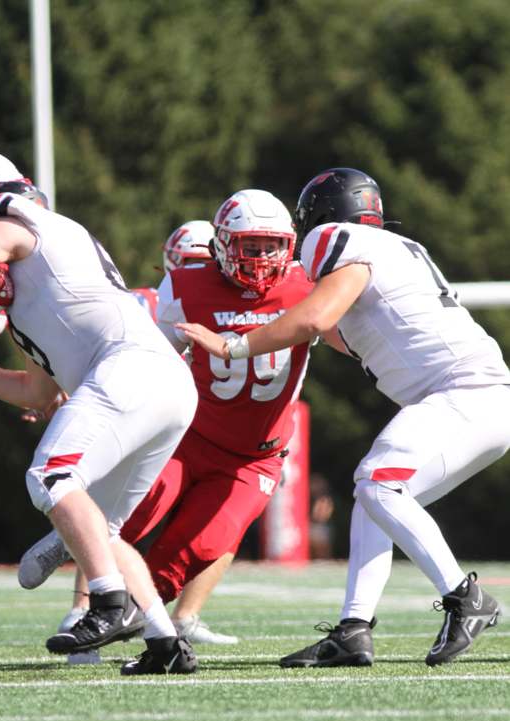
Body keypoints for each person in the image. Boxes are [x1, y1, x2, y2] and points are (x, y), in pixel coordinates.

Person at [178, 167, 510, 668]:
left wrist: (234, 344)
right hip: (478, 401)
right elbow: (328, 330)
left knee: (378, 484)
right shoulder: (396, 252)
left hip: (464, 395)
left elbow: (315, 318)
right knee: (371, 497)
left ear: (322, 215)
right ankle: (353, 630)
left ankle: (465, 597)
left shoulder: (339, 238)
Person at [19, 189, 314, 669]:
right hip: (188, 436)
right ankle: (84, 615)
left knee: (196, 550)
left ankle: (137, 625)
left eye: (270, 246)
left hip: (254, 454)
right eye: (248, 245)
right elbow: (140, 355)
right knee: (124, 520)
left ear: (289, 245)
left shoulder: (310, 287)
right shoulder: (186, 285)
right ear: (220, 244)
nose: (260, 259)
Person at [0, 150, 198, 675]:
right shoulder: (36, 288)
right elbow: (37, 393)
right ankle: (164, 643)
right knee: (105, 529)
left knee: (51, 476)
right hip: (161, 383)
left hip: (131, 368)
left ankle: (105, 602)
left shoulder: (23, 222)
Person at [23, 219, 241, 645]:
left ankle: (151, 616)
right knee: (93, 511)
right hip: (161, 415)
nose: (196, 272)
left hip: (186, 421)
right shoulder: (146, 301)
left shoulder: (238, 304)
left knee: (84, 502)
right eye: (187, 263)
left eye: (202, 262)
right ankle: (95, 609)